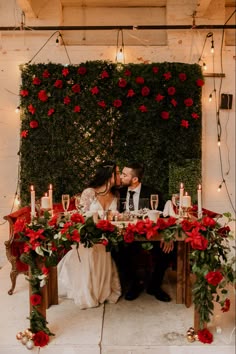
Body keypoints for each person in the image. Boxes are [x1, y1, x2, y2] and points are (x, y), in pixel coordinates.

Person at [57, 161, 122, 309]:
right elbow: (80, 217)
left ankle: (102, 291)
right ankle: (87, 292)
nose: (119, 176)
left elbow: (114, 219)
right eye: (117, 173)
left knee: (102, 257)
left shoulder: (116, 195)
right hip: (87, 239)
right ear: (109, 175)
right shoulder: (89, 192)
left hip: (105, 240)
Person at [119, 162, 175, 302]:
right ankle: (134, 284)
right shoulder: (118, 193)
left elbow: (165, 216)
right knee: (118, 250)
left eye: (124, 175)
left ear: (135, 179)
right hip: (128, 236)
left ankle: (155, 286)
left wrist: (167, 236)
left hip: (152, 235)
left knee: (167, 250)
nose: (121, 176)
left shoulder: (152, 193)